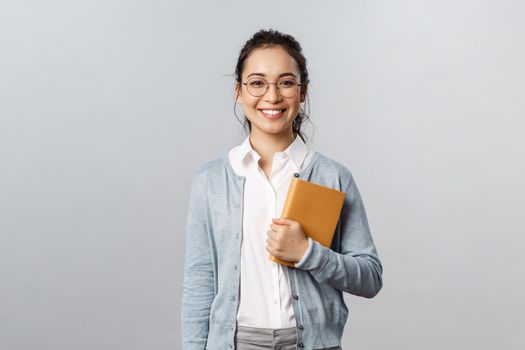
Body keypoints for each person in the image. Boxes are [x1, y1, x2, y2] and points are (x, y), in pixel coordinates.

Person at [181, 29, 383, 350]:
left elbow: (370, 277)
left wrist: (308, 254)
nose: (272, 96)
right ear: (239, 91)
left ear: (302, 92)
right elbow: (199, 282)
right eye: (257, 83)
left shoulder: (332, 177)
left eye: (286, 82)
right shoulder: (212, 180)